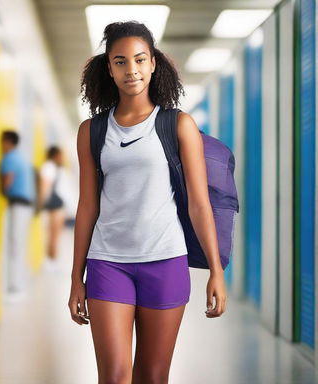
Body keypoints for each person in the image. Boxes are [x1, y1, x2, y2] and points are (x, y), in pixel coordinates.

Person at [68, 21, 227, 383]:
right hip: (108, 263)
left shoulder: (178, 125)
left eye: (140, 59)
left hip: (166, 261)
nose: (132, 70)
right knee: (114, 376)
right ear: (108, 68)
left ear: (154, 63)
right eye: (120, 61)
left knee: (153, 377)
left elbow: (199, 204)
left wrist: (216, 270)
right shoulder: (91, 131)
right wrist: (77, 278)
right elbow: (87, 207)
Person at [0, 130, 35, 299]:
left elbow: (7, 182)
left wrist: (0, 189)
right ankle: (18, 284)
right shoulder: (20, 157)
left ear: (8, 142)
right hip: (25, 206)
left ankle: (15, 287)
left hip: (18, 205)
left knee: (14, 245)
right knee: (19, 245)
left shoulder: (9, 158)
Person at [38, 146, 66, 269]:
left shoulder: (53, 168)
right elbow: (45, 186)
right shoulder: (49, 167)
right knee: (53, 234)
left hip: (55, 204)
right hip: (53, 205)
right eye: (60, 155)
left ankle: (52, 261)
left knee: (55, 234)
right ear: (54, 155)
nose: (62, 158)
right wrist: (41, 203)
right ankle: (51, 262)